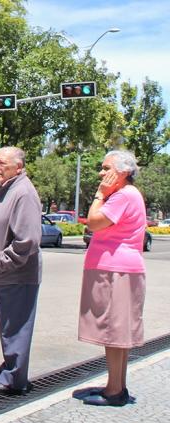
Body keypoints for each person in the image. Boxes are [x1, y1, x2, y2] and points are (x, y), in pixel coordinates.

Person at [75, 150, 145, 407]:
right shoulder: (127, 195)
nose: (101, 173)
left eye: (107, 168)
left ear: (123, 172)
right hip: (119, 268)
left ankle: (115, 391)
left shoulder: (122, 195)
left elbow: (93, 222)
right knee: (118, 332)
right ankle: (116, 385)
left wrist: (99, 195)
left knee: (115, 331)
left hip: (115, 270)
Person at [0, 146, 42, 395]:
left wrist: (3, 262)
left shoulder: (23, 192)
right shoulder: (7, 189)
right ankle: (9, 368)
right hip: (6, 275)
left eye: (2, 163)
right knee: (8, 326)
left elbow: (28, 240)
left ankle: (14, 379)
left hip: (17, 275)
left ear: (18, 167)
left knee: (16, 327)